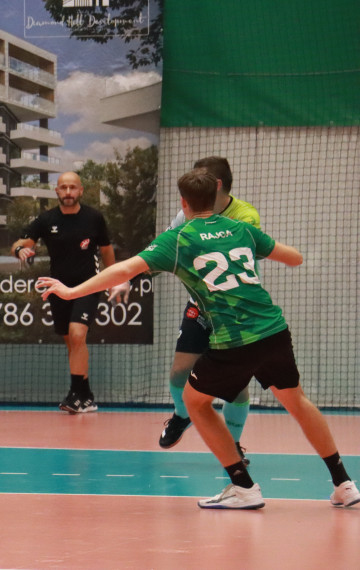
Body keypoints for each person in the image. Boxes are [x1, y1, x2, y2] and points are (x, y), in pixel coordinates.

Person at [37, 168, 360, 509]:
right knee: (297, 401)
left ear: (184, 203)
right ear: (218, 198)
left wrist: (71, 291)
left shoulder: (179, 239)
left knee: (194, 402)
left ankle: (243, 488)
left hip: (235, 339)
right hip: (274, 330)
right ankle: (344, 483)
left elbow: (123, 270)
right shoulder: (242, 229)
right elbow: (294, 258)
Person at [159, 157, 260, 459]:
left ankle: (233, 444)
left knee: (236, 386)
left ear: (216, 185)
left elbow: (241, 252)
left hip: (235, 313)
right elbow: (163, 246)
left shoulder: (245, 216)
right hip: (200, 307)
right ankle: (182, 414)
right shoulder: (185, 213)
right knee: (179, 373)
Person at [11, 171, 130, 414]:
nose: (68, 192)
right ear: (57, 191)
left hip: (88, 285)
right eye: (63, 188)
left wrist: (114, 278)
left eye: (72, 187)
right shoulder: (46, 220)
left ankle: (75, 395)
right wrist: (20, 251)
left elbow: (107, 251)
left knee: (77, 335)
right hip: (58, 288)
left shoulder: (94, 218)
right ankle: (85, 395)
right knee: (71, 342)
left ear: (81, 190)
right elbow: (20, 243)